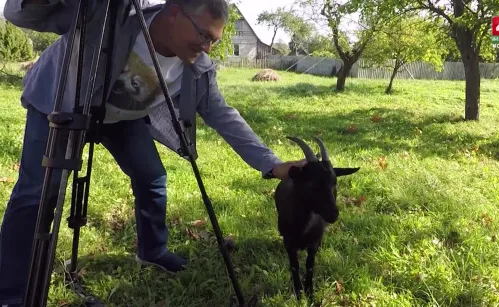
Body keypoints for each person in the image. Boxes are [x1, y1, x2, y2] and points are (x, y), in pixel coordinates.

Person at [0, 0, 305, 305]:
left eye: (214, 40)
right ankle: (11, 295)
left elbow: (223, 115)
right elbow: (18, 12)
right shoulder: (112, 13)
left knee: (152, 177)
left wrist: (273, 165)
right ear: (174, 13)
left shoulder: (197, 68)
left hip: (122, 119)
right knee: (36, 195)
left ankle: (153, 251)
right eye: (203, 36)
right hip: (62, 103)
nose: (208, 48)